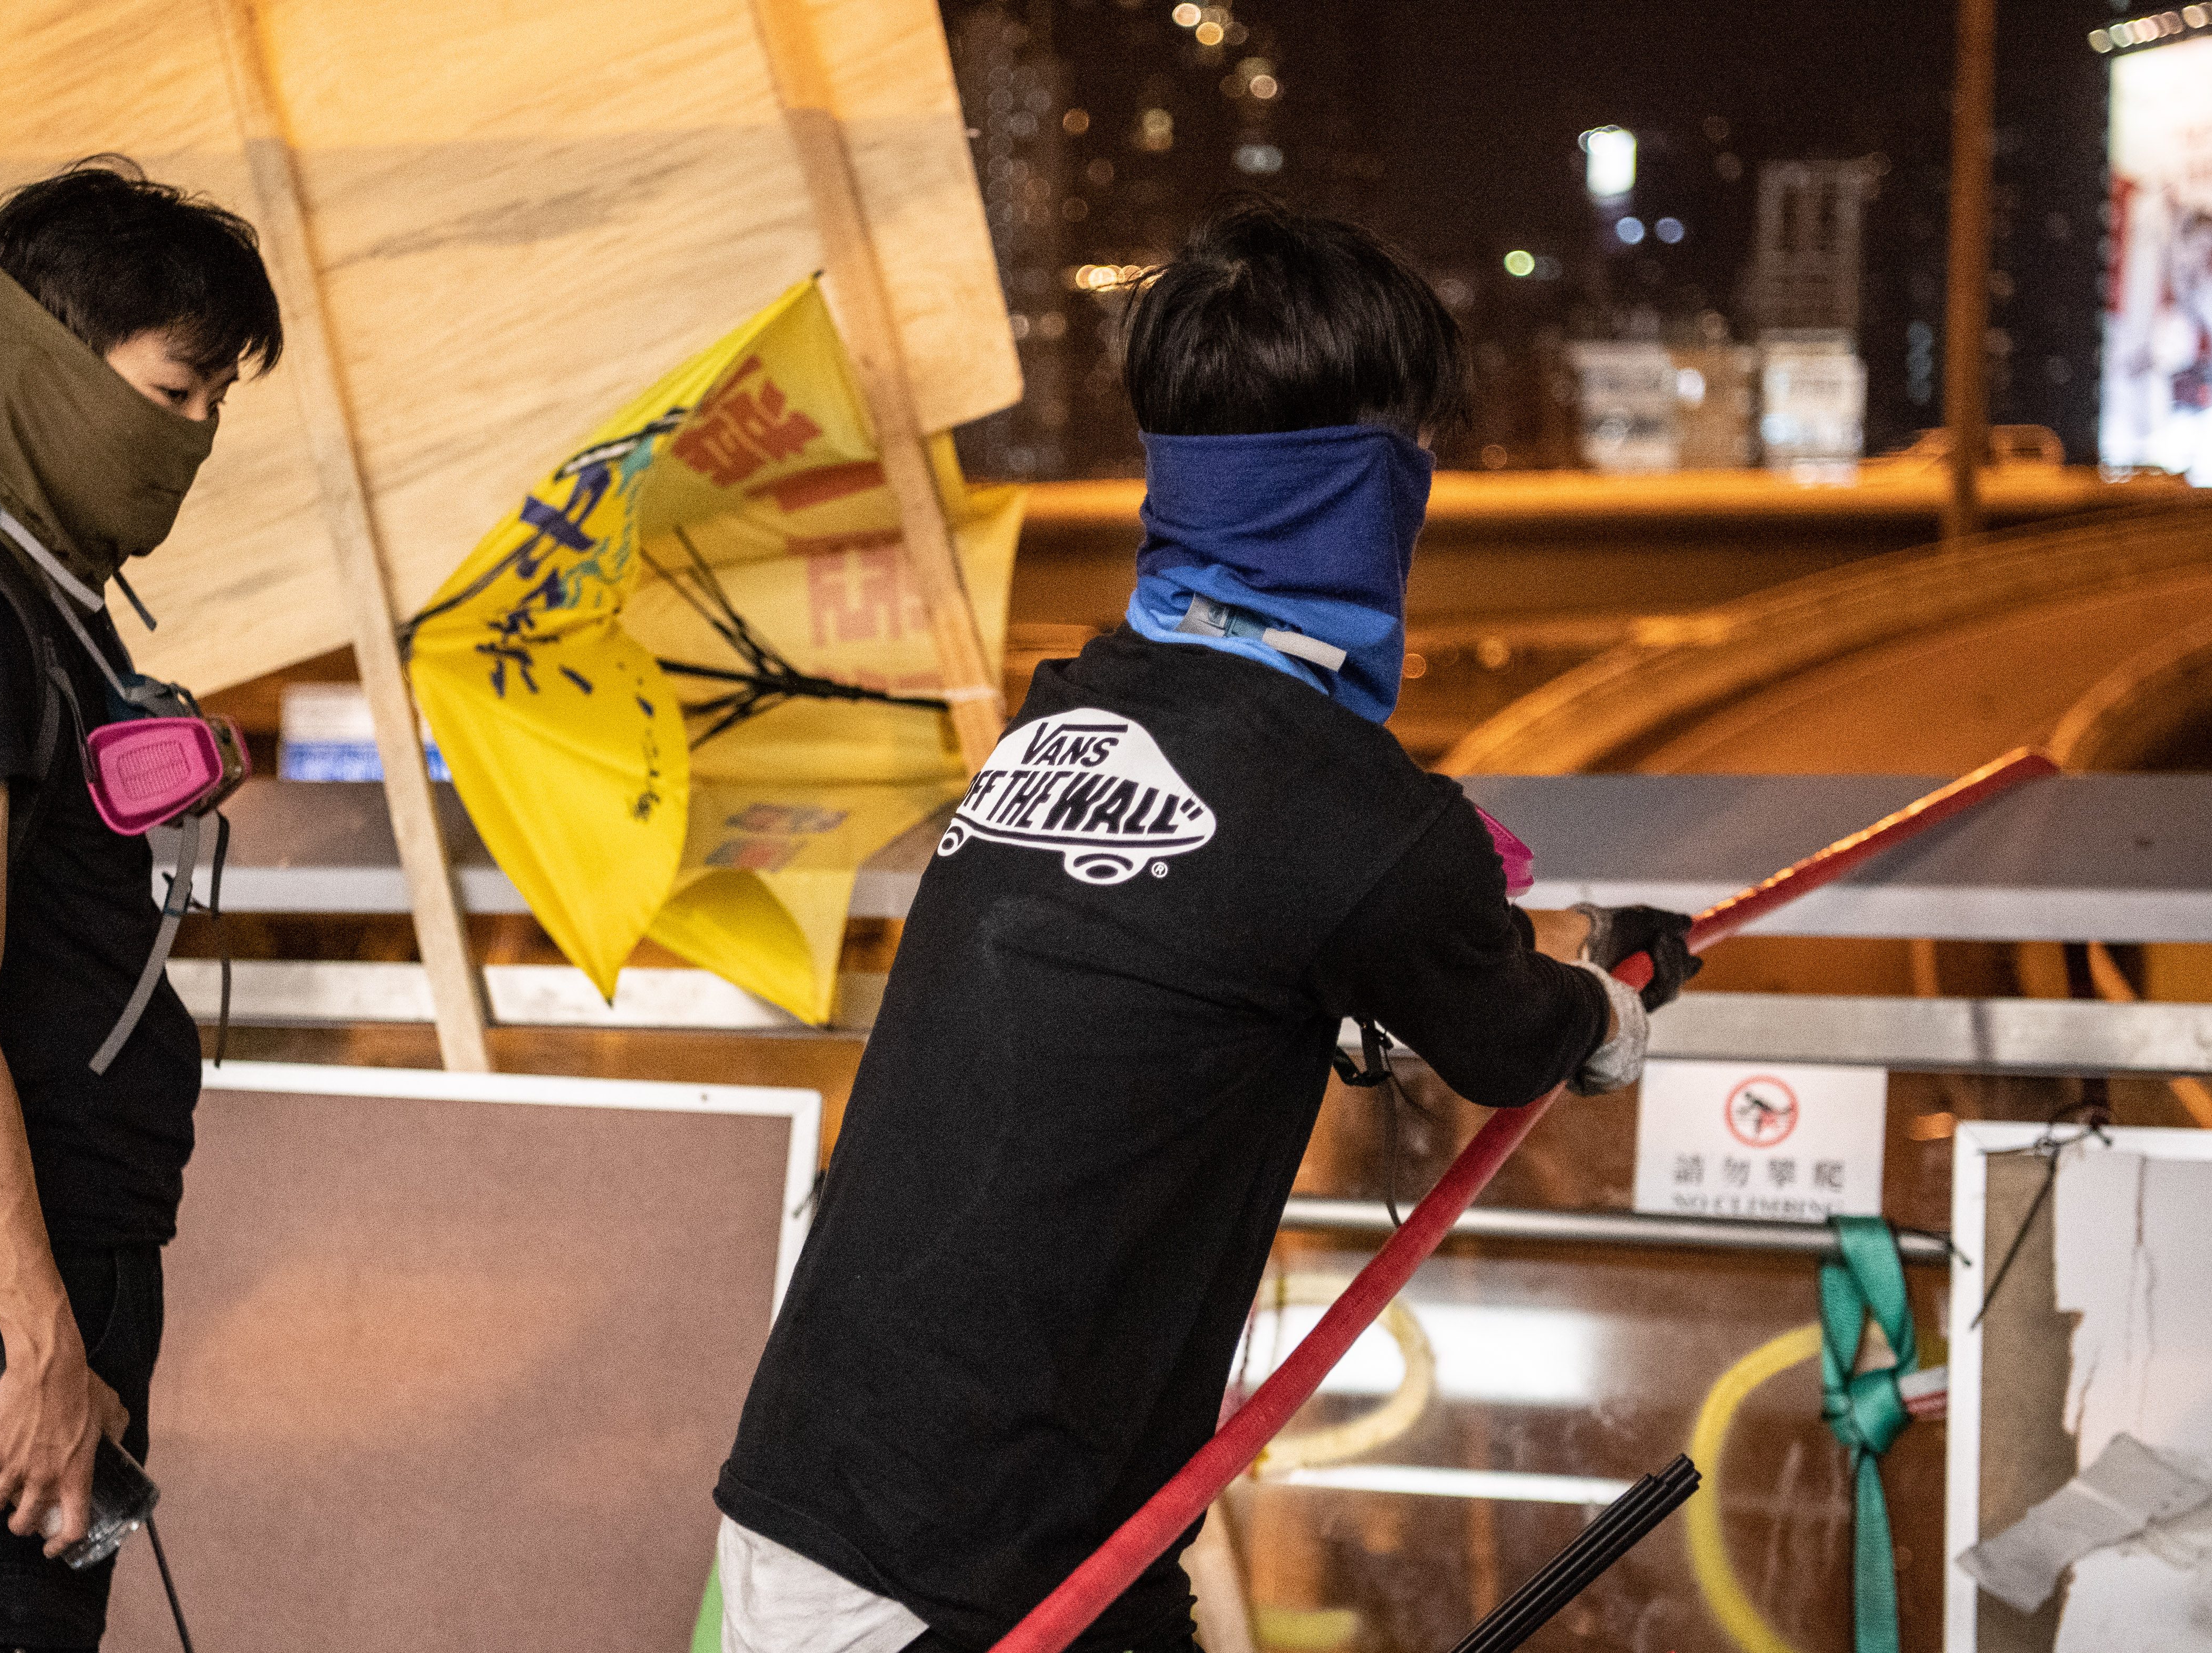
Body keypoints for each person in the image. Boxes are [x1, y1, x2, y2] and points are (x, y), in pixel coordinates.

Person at [710, 200, 1700, 1653]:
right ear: (1370, 488)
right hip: (967, 1580)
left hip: (841, 1488)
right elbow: (1516, 1041)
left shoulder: (1072, 712)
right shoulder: (1351, 811)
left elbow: (1245, 918)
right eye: (1414, 452)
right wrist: (1612, 1002)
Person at [0, 158, 279, 1650]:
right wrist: (39, 1340)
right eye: (175, 392)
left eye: (217, 401)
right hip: (0, 1295)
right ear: (53, 363)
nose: (199, 434)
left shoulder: (59, 616)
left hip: (68, 1263)